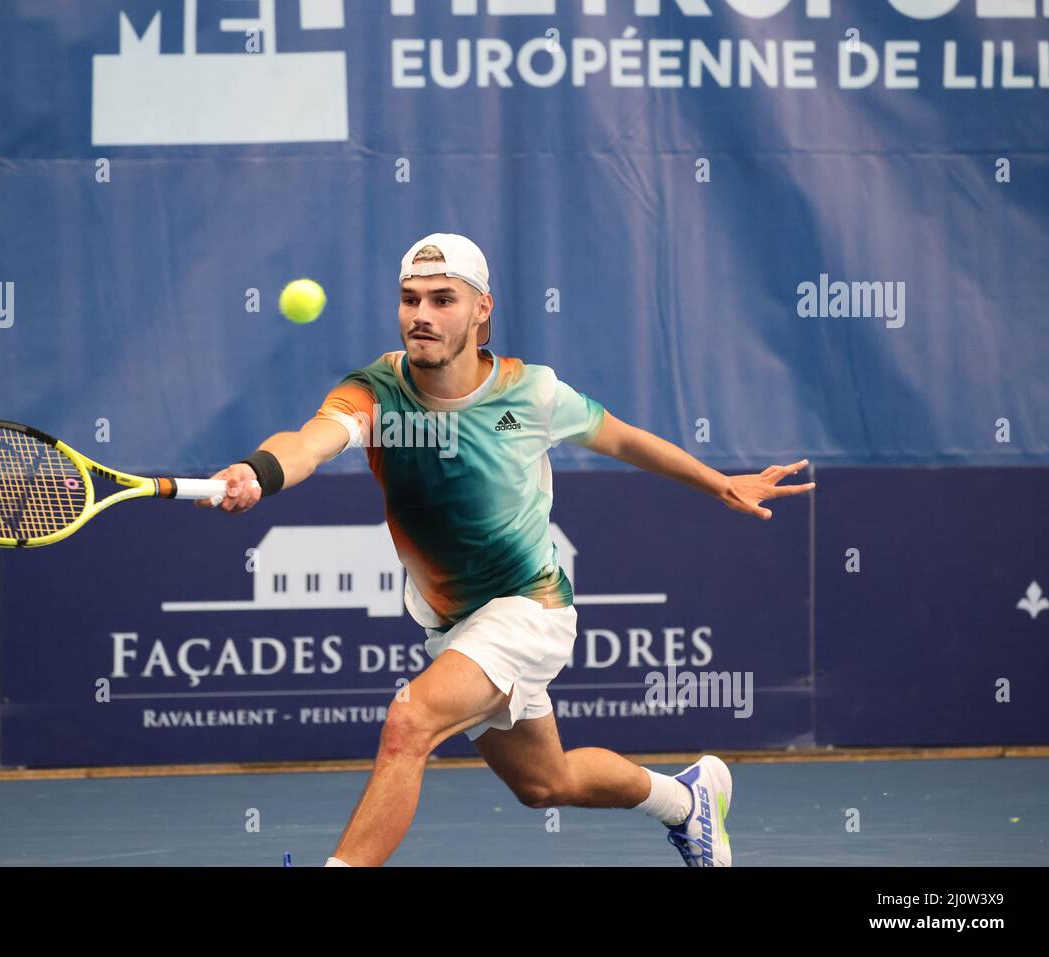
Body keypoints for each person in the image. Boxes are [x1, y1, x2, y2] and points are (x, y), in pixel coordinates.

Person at [201, 233, 815, 867]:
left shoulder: (533, 393)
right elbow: (310, 441)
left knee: (408, 724)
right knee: (545, 783)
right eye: (410, 300)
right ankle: (686, 802)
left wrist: (720, 483)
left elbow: (625, 440)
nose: (422, 316)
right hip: (457, 622)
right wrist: (258, 471)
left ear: (481, 310)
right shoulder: (377, 392)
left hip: (529, 608)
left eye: (443, 300)